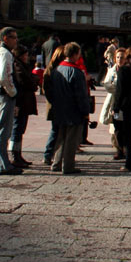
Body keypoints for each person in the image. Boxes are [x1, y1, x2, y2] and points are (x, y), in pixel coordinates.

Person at [49, 42, 92, 175]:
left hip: (60, 108)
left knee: (61, 137)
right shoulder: (76, 72)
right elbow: (81, 95)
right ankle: (68, 165)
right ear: (75, 54)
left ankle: (56, 162)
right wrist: (85, 111)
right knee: (71, 139)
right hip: (73, 110)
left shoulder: (57, 70)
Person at [0, 26, 22, 175]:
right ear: (6, 38)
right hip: (3, 94)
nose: (16, 40)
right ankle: (3, 165)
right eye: (14, 37)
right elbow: (4, 76)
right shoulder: (6, 53)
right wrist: (12, 92)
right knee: (3, 130)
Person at [8, 45, 38, 168]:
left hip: (24, 101)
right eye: (25, 55)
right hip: (20, 101)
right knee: (17, 129)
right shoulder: (17, 65)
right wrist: (34, 81)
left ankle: (18, 154)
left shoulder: (21, 65)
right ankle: (14, 155)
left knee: (20, 129)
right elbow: (25, 81)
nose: (27, 57)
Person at [42, 46, 66, 166]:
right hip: (56, 105)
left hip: (55, 105)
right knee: (56, 130)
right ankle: (49, 154)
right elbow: (47, 90)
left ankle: (51, 154)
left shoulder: (51, 69)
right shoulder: (54, 71)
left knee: (56, 130)